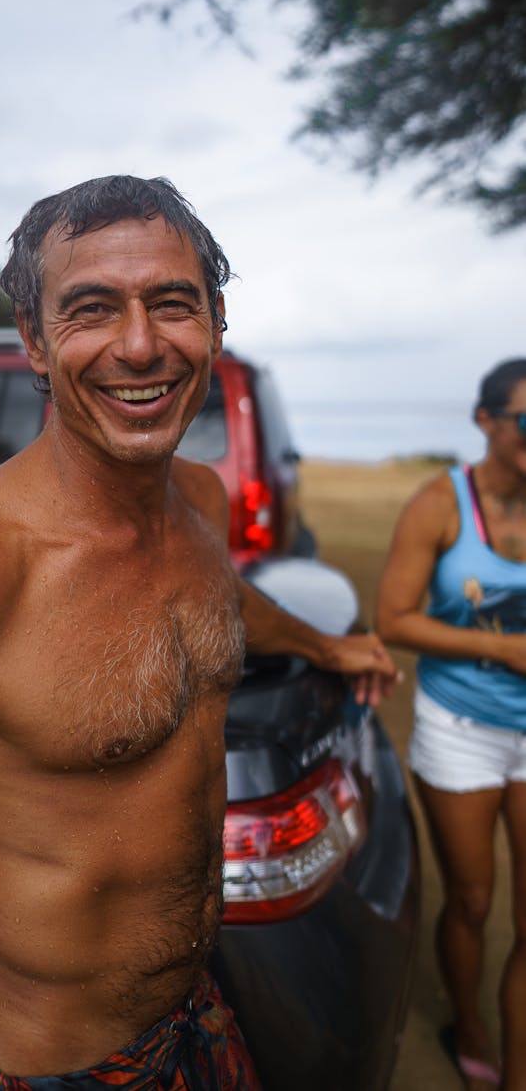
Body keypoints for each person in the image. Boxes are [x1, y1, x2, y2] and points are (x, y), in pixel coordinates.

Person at [0, 176, 397, 1091]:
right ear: (34, 339)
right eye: (93, 309)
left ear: (216, 324)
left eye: (172, 304)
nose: (140, 345)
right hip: (38, 1069)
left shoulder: (197, 503)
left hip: (197, 1017)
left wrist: (325, 645)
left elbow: (222, 602)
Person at [376, 359, 526, 1091]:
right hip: (461, 726)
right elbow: (392, 618)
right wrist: (501, 648)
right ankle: (468, 1022)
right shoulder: (441, 503)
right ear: (486, 420)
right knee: (472, 900)